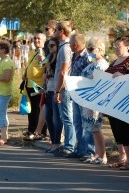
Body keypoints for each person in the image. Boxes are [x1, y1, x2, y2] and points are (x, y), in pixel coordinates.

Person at [106, 36, 129, 170]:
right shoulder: (114, 62)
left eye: (119, 45)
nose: (116, 48)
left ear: (128, 46)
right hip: (112, 103)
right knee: (116, 131)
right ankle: (122, 159)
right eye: (115, 45)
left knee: (124, 130)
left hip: (124, 102)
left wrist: (122, 77)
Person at [80, 38, 109, 164]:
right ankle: (97, 154)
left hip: (96, 100)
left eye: (92, 49)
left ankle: (103, 155)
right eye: (88, 48)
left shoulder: (101, 64)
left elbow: (99, 81)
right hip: (88, 100)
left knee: (96, 128)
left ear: (100, 49)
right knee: (92, 129)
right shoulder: (92, 63)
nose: (89, 51)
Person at [67, 33, 94, 159]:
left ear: (75, 45)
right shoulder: (74, 56)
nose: (70, 47)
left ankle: (90, 151)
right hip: (75, 93)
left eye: (71, 44)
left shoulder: (88, 57)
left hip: (85, 95)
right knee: (77, 122)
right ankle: (80, 150)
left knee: (87, 124)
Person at [53, 21, 74, 157]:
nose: (54, 32)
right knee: (63, 116)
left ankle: (69, 146)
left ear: (61, 31)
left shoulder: (66, 48)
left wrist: (58, 90)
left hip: (64, 87)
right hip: (61, 87)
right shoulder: (63, 47)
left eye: (56, 30)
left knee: (67, 117)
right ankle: (67, 144)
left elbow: (63, 71)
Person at [22, 32, 47, 140]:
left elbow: (46, 66)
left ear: (43, 41)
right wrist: (25, 73)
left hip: (39, 85)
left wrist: (43, 59)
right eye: (35, 38)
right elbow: (29, 64)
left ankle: (41, 132)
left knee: (39, 109)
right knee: (31, 109)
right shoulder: (33, 51)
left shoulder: (45, 52)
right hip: (29, 83)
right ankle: (31, 130)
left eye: (39, 39)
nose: (36, 40)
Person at [43, 37, 63, 153]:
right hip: (49, 89)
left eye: (52, 46)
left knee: (56, 118)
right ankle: (53, 140)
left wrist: (48, 68)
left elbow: (56, 74)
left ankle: (56, 142)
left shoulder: (57, 59)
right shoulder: (49, 57)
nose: (50, 48)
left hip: (55, 89)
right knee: (48, 117)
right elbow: (48, 75)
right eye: (49, 46)